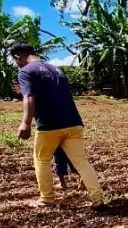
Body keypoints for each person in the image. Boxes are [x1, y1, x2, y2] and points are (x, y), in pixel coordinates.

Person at [11, 44, 103, 208]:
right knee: (81, 161)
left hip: (49, 125)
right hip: (74, 122)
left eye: (16, 61)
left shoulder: (25, 71)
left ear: (19, 57)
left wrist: (25, 122)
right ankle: (98, 199)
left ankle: (46, 199)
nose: (17, 64)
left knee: (41, 159)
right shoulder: (57, 69)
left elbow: (30, 96)